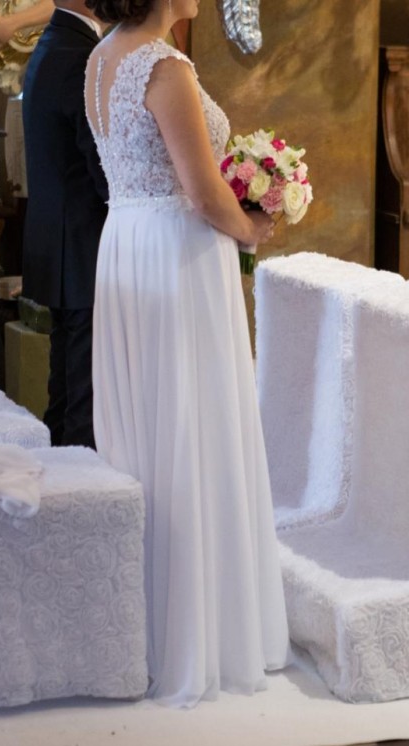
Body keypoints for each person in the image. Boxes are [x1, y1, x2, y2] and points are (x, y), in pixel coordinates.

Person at [84, 0, 291, 707]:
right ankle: (199, 635)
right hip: (177, 256)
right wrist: (253, 228)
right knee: (191, 428)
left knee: (148, 434)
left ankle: (142, 622)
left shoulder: (101, 56)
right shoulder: (165, 67)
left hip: (127, 244)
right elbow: (203, 195)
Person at [0, 0, 108, 448]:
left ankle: (62, 475)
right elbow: (98, 163)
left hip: (63, 241)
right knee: (82, 406)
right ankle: (78, 482)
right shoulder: (79, 54)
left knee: (67, 392)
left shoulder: (56, 43)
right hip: (82, 245)